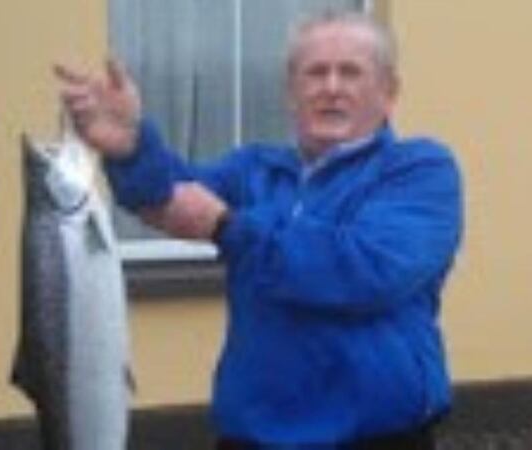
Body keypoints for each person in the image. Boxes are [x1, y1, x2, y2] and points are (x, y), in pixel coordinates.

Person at [56, 11, 463, 450]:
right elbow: (170, 199)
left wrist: (230, 227)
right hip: (253, 437)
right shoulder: (253, 169)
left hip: (378, 437)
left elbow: (366, 270)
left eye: (350, 72)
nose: (331, 87)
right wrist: (131, 147)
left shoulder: (420, 170)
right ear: (292, 93)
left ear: (388, 93)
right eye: (315, 73)